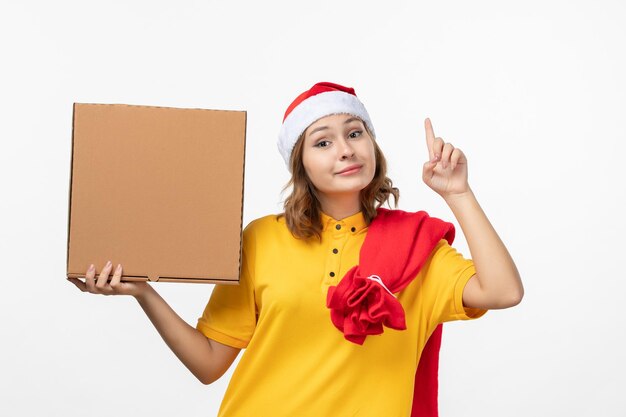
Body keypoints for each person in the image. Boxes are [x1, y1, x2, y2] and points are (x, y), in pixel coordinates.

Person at [68, 81, 524, 416]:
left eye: (354, 133)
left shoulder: (417, 246)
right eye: (322, 141)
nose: (344, 150)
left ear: (372, 144)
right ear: (301, 164)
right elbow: (208, 364)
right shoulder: (262, 238)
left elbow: (503, 291)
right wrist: (145, 292)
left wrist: (458, 194)